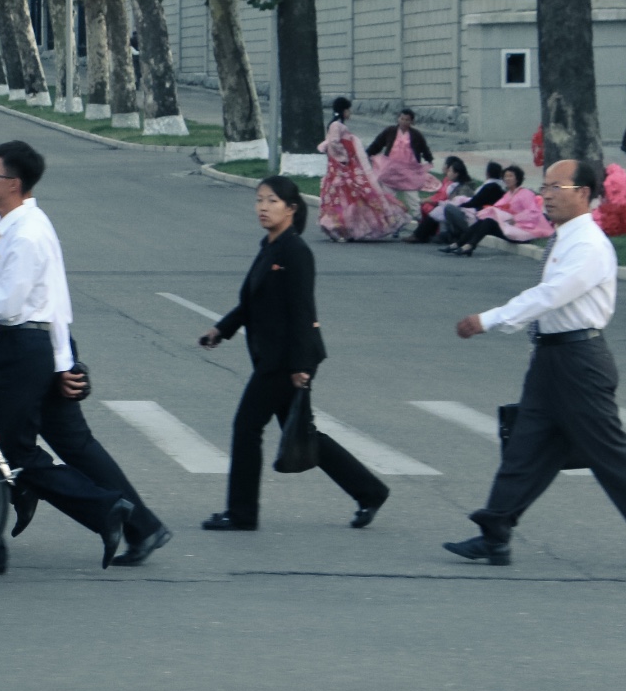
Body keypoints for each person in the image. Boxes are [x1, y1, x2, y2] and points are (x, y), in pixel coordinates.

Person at [444, 159, 626, 570]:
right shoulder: (565, 237)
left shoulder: (590, 245)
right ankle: (495, 533)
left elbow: (551, 295)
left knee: (610, 454)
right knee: (526, 446)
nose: (545, 194)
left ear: (582, 193)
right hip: (553, 357)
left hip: (580, 363)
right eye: (544, 187)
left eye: (555, 187)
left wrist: (488, 319)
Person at [0, 141, 137, 572]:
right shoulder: (12, 225)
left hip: (20, 347)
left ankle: (97, 508)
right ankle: (89, 510)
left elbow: (12, 304)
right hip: (18, 346)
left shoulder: (27, 233)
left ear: (13, 184)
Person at [199, 176, 390, 531]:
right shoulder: (270, 247)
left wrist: (301, 366)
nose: (263, 208)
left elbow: (304, 311)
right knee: (302, 432)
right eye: (259, 200)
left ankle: (242, 514)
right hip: (275, 357)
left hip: (286, 361)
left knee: (246, 427)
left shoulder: (295, 252)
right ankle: (370, 491)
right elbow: (251, 304)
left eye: (272, 201)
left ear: (292, 208)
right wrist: (220, 329)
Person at [318, 97, 410, 241]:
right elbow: (334, 143)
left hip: (340, 169)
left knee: (348, 197)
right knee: (345, 197)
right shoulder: (336, 125)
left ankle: (346, 229)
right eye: (348, 110)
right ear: (343, 111)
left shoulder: (337, 125)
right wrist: (345, 157)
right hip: (341, 169)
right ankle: (338, 228)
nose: (350, 113)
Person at [443, 166, 549, 257]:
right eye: (505, 176)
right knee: (484, 221)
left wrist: (515, 218)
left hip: (523, 231)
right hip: (509, 228)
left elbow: (533, 213)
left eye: (510, 176)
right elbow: (497, 209)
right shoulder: (507, 195)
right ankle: (460, 244)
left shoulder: (525, 193)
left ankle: (469, 245)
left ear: (517, 179)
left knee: (489, 222)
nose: (507, 179)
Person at [367, 108, 435, 212]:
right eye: (401, 118)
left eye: (407, 120)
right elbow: (378, 143)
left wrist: (429, 159)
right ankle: (391, 220)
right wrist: (368, 153)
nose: (403, 122)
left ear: (411, 121)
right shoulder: (390, 131)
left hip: (409, 172)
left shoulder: (416, 135)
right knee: (388, 198)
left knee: (413, 199)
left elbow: (424, 148)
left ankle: (419, 219)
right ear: (398, 119)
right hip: (391, 171)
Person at [408, 158, 475, 244]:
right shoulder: (453, 184)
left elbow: (456, 204)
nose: (448, 173)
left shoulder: (464, 188)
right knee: (436, 210)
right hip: (453, 210)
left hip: (464, 217)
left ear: (456, 174)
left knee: (438, 209)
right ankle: (421, 234)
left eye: (450, 171)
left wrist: (437, 203)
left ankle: (419, 235)